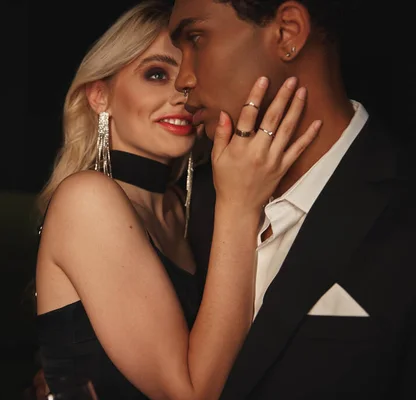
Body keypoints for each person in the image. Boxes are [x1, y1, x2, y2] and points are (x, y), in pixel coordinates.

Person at [33, 1, 320, 399]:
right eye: (155, 73)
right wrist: (240, 206)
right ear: (100, 96)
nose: (182, 90)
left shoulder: (187, 207)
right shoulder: (87, 199)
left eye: (191, 70)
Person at [169, 0, 415, 399]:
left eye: (196, 38)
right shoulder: (182, 211)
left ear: (287, 33)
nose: (182, 78)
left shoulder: (404, 209)